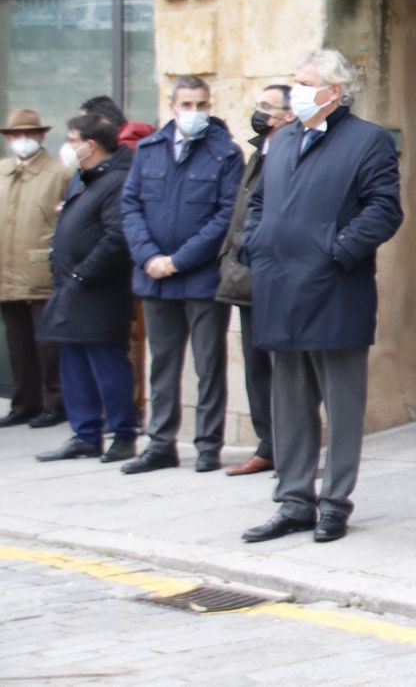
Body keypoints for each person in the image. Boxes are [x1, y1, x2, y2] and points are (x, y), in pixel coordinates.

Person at [238, 49, 403, 544]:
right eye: (294, 82)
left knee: (342, 404)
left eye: (305, 83)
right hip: (279, 287)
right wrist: (257, 241)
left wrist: (338, 250)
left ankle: (334, 503)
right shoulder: (283, 140)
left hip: (334, 289)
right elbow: (259, 202)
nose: (296, 92)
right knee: (289, 402)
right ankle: (294, 501)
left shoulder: (368, 140)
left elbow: (384, 209)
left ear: (334, 91)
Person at [119, 76, 243, 475]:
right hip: (155, 277)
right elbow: (131, 206)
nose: (194, 112)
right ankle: (160, 443)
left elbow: (227, 216)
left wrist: (179, 260)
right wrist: (150, 257)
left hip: (201, 277)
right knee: (162, 365)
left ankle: (208, 444)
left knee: (208, 365)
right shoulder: (149, 150)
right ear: (172, 106)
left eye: (201, 105)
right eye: (187, 104)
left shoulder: (226, 153)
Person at [33, 116, 137, 463]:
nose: (68, 145)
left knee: (107, 366)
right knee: (74, 364)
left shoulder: (116, 181)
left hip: (97, 293)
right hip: (71, 290)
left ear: (90, 144)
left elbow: (116, 238)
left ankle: (123, 434)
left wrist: (82, 274)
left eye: (72, 138)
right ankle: (85, 434)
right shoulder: (86, 178)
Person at [214, 84, 296, 476]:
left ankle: (292, 445)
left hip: (276, 275)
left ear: (289, 114)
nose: (260, 112)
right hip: (246, 276)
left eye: (268, 106)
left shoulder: (293, 152)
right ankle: (268, 444)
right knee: (255, 365)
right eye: (258, 105)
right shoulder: (258, 152)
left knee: (286, 368)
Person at [77, 96, 154, 424]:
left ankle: (126, 411)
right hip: (128, 267)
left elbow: (120, 224)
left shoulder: (121, 163)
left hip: (123, 269)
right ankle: (124, 408)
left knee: (126, 344)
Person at [0, 108, 73, 429]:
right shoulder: (2, 171)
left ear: (42, 135)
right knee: (17, 344)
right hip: (7, 270)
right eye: (17, 135)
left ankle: (56, 402)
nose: (23, 140)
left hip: (42, 269)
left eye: (29, 133)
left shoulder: (59, 173)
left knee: (48, 343)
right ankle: (24, 402)